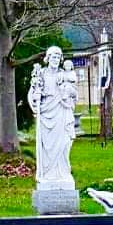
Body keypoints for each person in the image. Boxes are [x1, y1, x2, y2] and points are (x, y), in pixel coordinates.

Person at [28, 46, 77, 191]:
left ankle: (63, 174)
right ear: (48, 58)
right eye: (53, 57)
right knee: (46, 148)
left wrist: (68, 93)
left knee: (64, 144)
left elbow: (74, 93)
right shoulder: (40, 74)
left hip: (62, 112)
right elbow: (32, 94)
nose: (55, 60)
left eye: (58, 57)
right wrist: (35, 101)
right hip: (46, 113)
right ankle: (48, 176)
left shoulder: (65, 75)